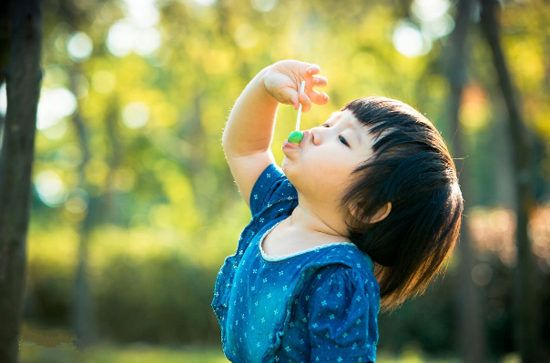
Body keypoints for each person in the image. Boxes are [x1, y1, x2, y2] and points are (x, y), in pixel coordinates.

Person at [211, 60, 463, 363]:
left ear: (367, 207)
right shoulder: (280, 205)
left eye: (342, 139)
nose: (318, 132)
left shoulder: (339, 277)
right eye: (330, 124)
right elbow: (246, 148)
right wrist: (266, 84)